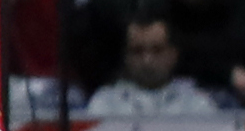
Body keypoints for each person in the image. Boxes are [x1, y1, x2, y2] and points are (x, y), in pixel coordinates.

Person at [86, 14, 226, 116]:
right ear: (126, 57)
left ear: (173, 55)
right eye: (137, 51)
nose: (147, 60)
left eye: (157, 50)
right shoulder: (104, 104)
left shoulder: (197, 104)